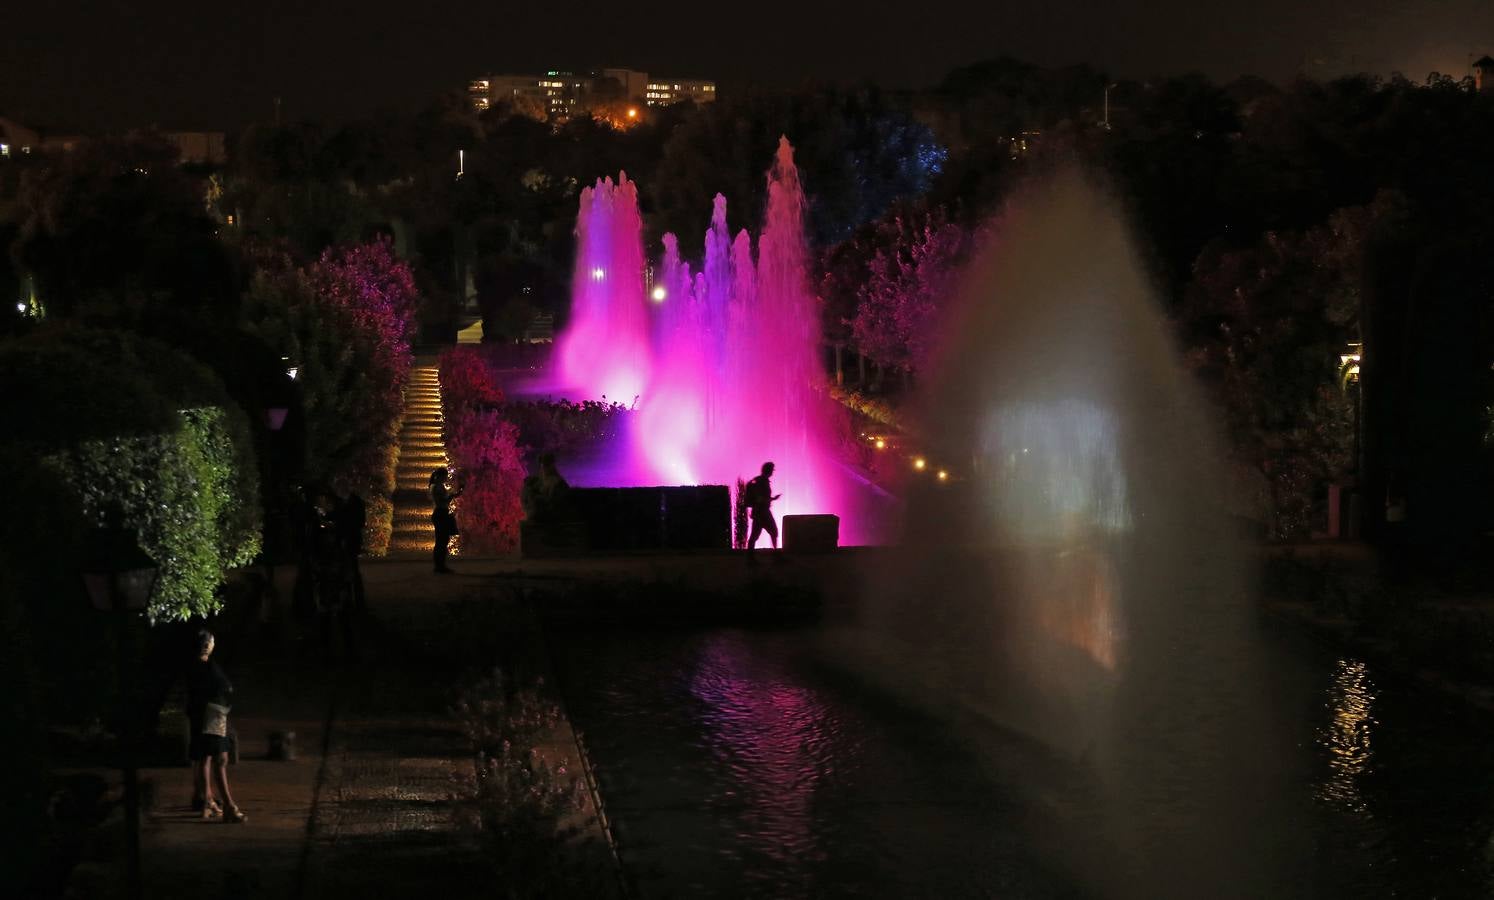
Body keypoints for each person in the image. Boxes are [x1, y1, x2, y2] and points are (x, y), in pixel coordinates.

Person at [186, 630, 245, 823]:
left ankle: (207, 801)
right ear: (208, 646)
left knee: (205, 758)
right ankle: (228, 805)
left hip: (199, 714)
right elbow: (225, 687)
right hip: (213, 715)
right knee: (220, 759)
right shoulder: (209, 667)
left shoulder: (191, 666)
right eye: (209, 642)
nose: (210, 645)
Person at [331, 491, 367, 613]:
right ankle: (354, 599)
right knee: (351, 569)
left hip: (349, 539)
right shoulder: (353, 502)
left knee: (350, 569)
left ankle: (351, 600)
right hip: (350, 539)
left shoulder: (350, 503)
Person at [744, 461, 782, 560]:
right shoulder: (761, 482)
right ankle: (775, 556)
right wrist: (772, 499)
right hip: (762, 512)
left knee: (756, 535)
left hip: (759, 512)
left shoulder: (760, 481)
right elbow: (760, 498)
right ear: (768, 470)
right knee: (772, 532)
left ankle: (751, 558)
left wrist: (771, 499)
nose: (773, 472)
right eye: (772, 470)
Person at [430, 468, 462, 573]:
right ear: (440, 476)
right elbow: (441, 501)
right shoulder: (436, 487)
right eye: (445, 476)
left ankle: (440, 565)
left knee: (442, 540)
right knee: (441, 540)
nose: (446, 478)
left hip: (441, 513)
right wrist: (451, 496)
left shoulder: (437, 486)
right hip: (440, 513)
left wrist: (454, 495)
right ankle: (439, 566)